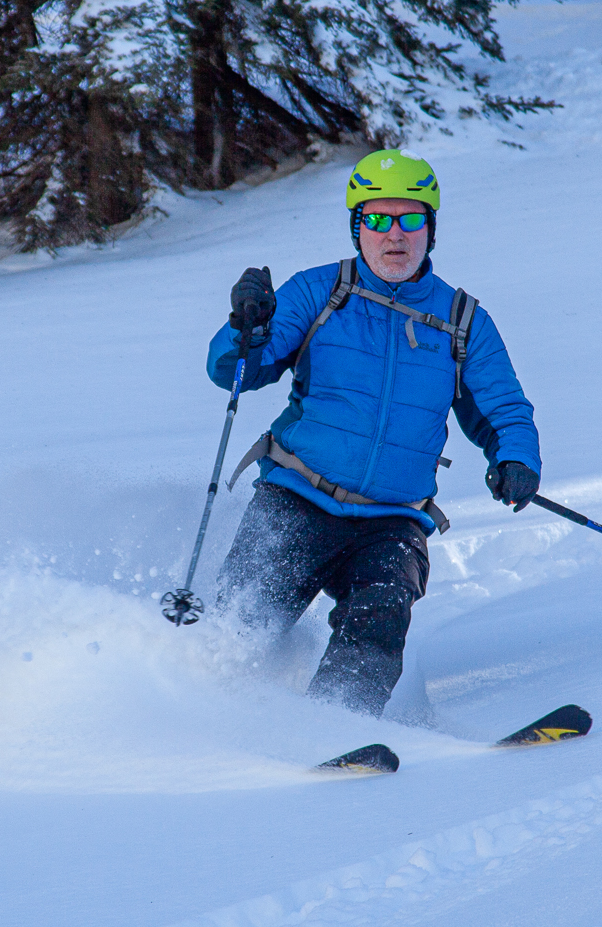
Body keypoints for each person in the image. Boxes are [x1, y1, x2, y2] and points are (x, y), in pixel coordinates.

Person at [206, 148, 542, 716]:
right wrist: (249, 328)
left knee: (378, 625)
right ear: (357, 228)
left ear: (430, 231)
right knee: (242, 624)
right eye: (377, 219)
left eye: (410, 219)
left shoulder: (463, 320)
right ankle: (198, 717)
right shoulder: (318, 291)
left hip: (392, 519)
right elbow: (233, 372)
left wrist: (515, 457)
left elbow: (504, 406)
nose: (394, 235)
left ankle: (335, 731)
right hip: (297, 496)